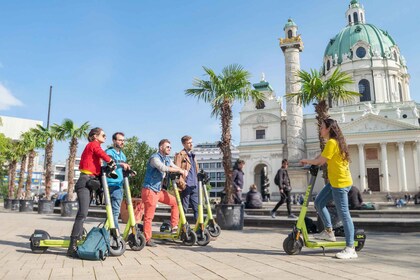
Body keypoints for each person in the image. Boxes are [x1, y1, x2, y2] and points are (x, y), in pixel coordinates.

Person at [300, 118, 358, 259]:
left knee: (344, 213)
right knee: (319, 202)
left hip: (340, 183)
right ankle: (329, 232)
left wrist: (307, 161)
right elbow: (321, 156)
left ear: (328, 129)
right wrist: (312, 160)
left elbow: (320, 161)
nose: (320, 130)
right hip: (334, 182)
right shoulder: (331, 143)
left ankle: (351, 248)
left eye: (322, 127)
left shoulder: (332, 142)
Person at [67, 127, 115, 258]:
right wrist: (110, 160)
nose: (105, 137)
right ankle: (72, 246)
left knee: (84, 213)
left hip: (90, 180)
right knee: (82, 213)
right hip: (84, 181)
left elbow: (98, 167)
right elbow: (102, 154)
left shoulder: (94, 150)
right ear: (95, 136)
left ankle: (77, 238)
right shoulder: (93, 145)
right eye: (103, 135)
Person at [142, 139, 188, 247]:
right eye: (167, 147)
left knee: (175, 202)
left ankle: (174, 226)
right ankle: (147, 239)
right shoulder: (154, 158)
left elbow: (173, 166)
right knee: (149, 216)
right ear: (161, 147)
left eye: (170, 147)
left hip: (159, 190)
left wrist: (183, 170)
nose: (169, 149)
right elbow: (163, 168)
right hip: (150, 190)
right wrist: (179, 171)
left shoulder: (167, 159)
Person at [105, 132, 131, 233]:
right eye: (120, 140)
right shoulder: (109, 152)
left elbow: (122, 169)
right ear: (114, 141)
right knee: (114, 212)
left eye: (123, 140)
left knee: (114, 211)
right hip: (110, 183)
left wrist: (129, 171)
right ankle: (115, 233)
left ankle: (109, 231)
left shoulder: (123, 155)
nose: (122, 142)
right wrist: (121, 165)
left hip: (119, 185)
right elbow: (110, 164)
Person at [174, 135, 200, 222]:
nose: (191, 144)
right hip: (186, 185)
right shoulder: (180, 155)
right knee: (183, 208)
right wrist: (182, 184)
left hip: (194, 185)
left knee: (197, 208)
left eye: (191, 142)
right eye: (189, 143)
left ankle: (199, 228)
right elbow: (176, 170)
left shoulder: (193, 155)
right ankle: (181, 228)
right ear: (184, 144)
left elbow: (196, 170)